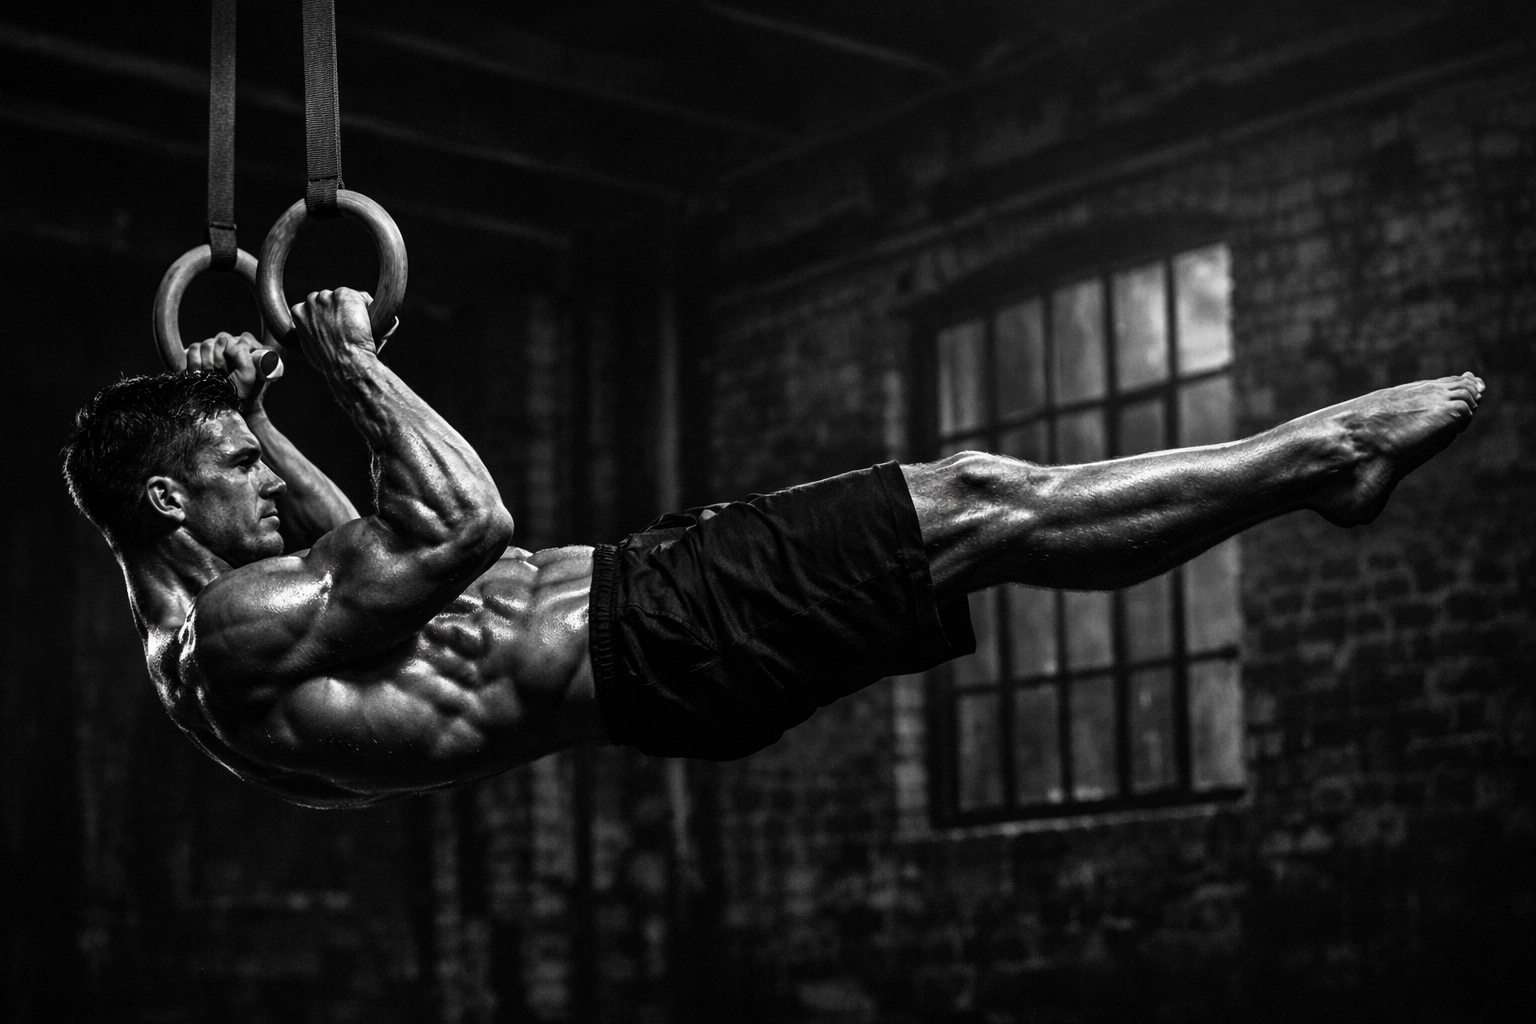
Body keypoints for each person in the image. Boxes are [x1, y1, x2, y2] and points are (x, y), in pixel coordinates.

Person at [62, 288, 1485, 808]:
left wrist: (254, 409)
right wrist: (351, 362)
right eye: (238, 469)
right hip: (656, 627)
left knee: (985, 526)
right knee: (984, 497)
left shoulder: (223, 648)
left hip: (651, 632)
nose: (265, 481)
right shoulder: (233, 635)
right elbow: (461, 525)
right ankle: (1324, 461)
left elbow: (371, 560)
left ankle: (1315, 470)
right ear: (171, 508)